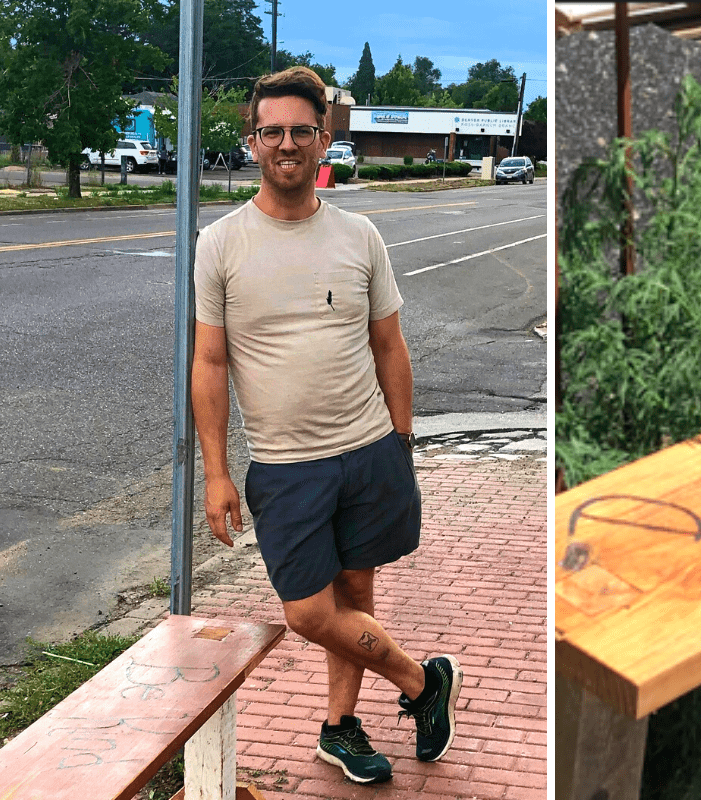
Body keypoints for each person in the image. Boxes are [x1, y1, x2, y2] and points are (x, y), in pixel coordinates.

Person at [191, 65, 462, 786]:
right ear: (253, 141)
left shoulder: (360, 234)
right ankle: (421, 682)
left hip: (369, 449)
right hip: (285, 467)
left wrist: (402, 443)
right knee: (311, 612)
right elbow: (210, 363)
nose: (286, 143)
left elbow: (389, 346)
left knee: (357, 599)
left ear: (324, 140)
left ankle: (340, 729)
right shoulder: (219, 243)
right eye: (272, 130)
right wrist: (217, 471)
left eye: (301, 131)